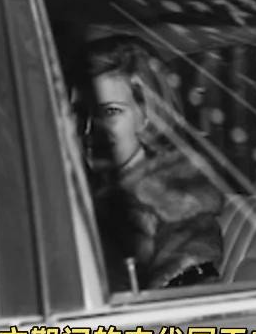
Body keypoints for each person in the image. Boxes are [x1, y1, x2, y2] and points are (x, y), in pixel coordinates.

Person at [77, 35, 223, 291]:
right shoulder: (72, 195)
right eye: (81, 113)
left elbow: (184, 310)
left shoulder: (182, 213)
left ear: (147, 116)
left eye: (110, 112)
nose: (90, 129)